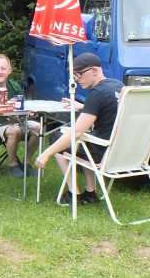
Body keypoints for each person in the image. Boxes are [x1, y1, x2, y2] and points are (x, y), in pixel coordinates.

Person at [34, 52, 123, 204]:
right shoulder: (117, 86)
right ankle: (90, 192)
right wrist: (85, 106)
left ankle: (73, 193)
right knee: (87, 138)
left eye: (79, 73)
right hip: (120, 151)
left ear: (94, 71)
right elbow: (108, 108)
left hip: (101, 153)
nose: (77, 79)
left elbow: (77, 131)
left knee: (58, 137)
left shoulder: (97, 93)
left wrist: (46, 154)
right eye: (75, 75)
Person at [0, 53, 41, 178]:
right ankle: (13, 165)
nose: (0, 72)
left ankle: (26, 164)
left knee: (38, 127)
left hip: (14, 120)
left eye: (3, 68)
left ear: (9, 70)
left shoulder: (14, 86)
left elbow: (21, 108)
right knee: (15, 130)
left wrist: (25, 115)